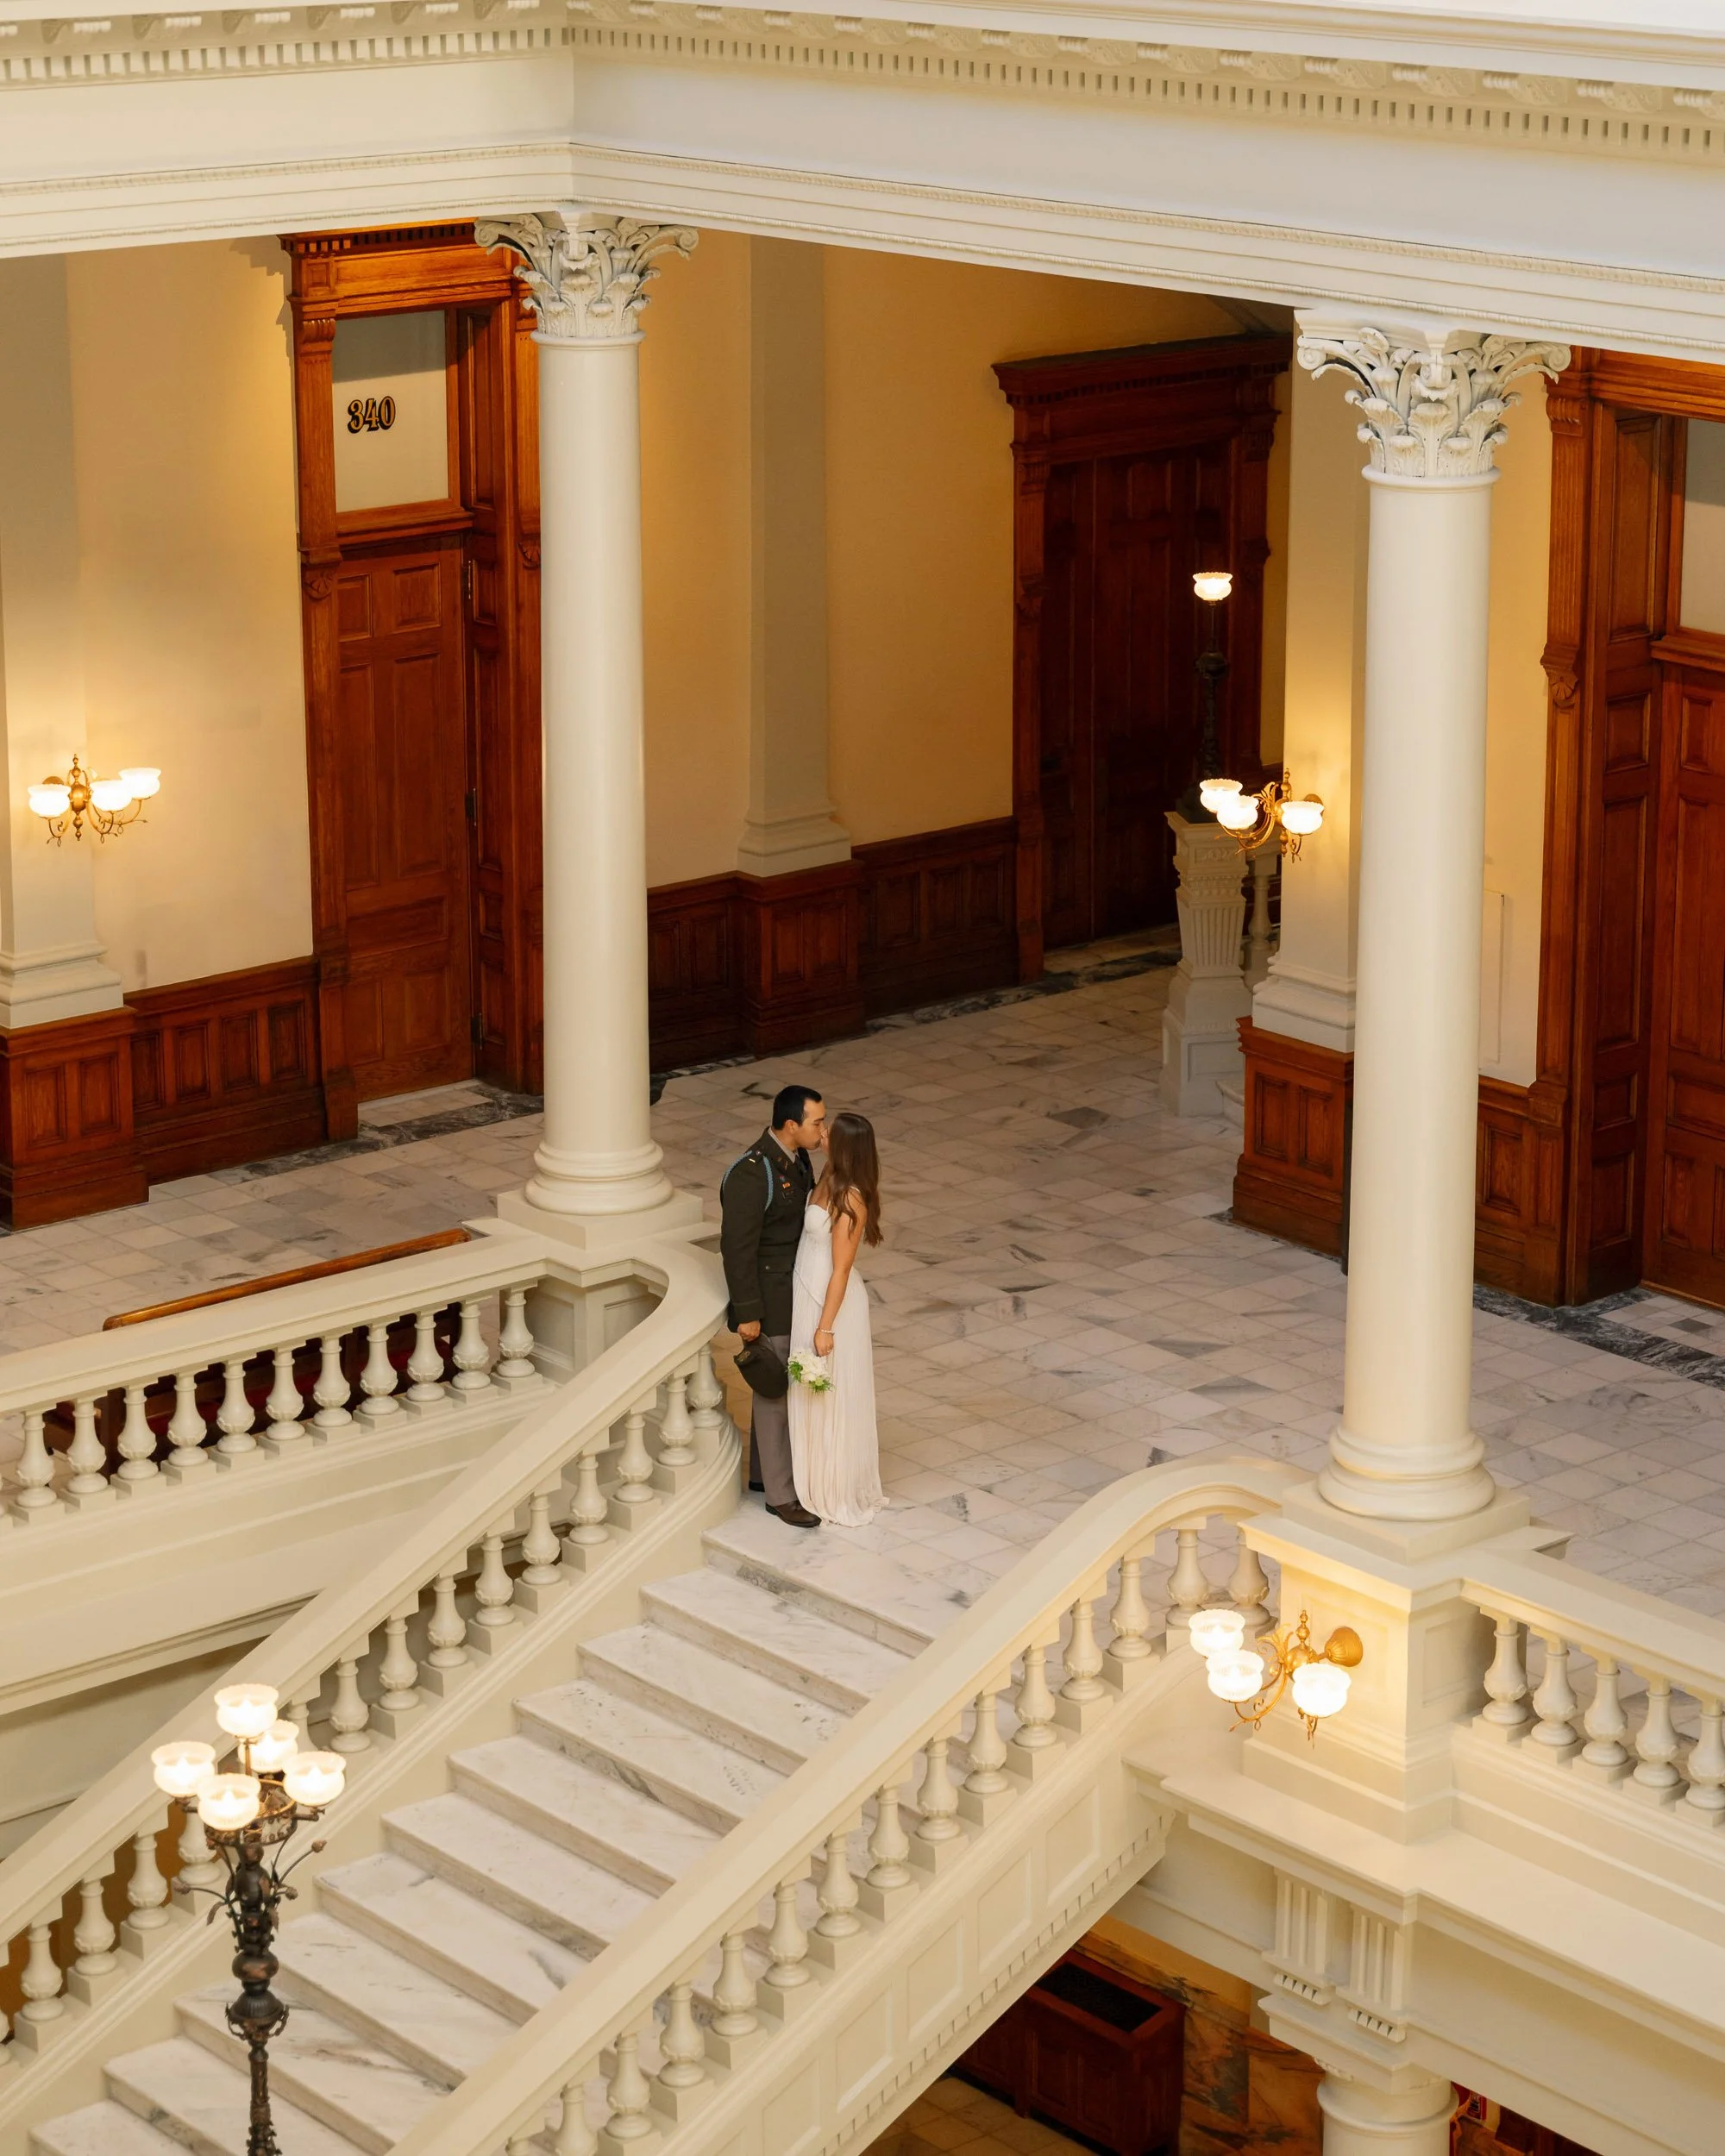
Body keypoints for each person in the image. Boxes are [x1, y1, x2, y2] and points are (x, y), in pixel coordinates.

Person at [719, 1083, 827, 1529]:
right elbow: (737, 1248)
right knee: (773, 1392)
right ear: (791, 1125)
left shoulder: (795, 1158)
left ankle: (766, 1476)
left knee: (776, 1386)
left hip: (791, 1289)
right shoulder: (752, 1172)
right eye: (817, 1122)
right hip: (768, 1297)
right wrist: (747, 1312)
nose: (823, 1130)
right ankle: (782, 1497)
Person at [788, 1110, 886, 1527]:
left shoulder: (851, 1198)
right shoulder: (826, 1173)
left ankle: (833, 1484)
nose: (822, 1132)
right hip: (806, 1286)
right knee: (808, 1392)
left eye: (830, 1131)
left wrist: (825, 1327)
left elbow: (841, 1270)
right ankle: (807, 1473)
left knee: (827, 1392)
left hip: (829, 1301)